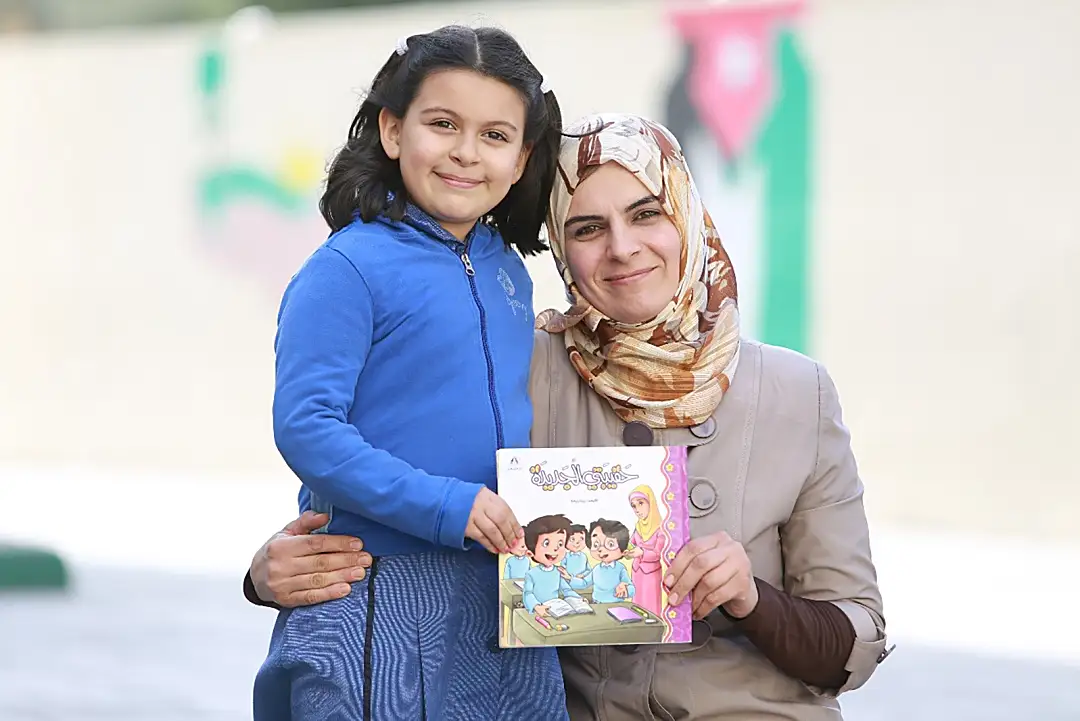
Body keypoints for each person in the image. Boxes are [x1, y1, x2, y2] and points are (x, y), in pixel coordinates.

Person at [246, 113, 890, 720]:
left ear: (689, 217)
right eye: (586, 228)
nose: (623, 248)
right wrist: (270, 572)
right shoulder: (520, 370)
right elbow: (399, 490)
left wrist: (751, 598)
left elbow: (853, 642)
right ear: (559, 248)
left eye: (647, 214)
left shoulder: (794, 391)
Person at [251, 25, 568, 721]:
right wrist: (449, 506)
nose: (465, 151)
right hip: (378, 588)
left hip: (502, 592)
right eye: (442, 123)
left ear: (522, 160)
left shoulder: (510, 272)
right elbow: (307, 425)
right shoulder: (347, 268)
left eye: (494, 135)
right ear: (393, 130)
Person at [624, 484, 666, 616]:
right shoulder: (638, 527)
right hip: (637, 572)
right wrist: (627, 552)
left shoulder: (661, 529)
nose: (637, 509)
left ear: (651, 502)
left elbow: (658, 554)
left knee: (650, 604)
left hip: (651, 573)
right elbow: (631, 544)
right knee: (637, 604)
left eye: (641, 503)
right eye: (633, 506)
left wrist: (641, 552)